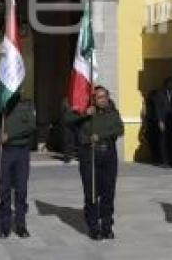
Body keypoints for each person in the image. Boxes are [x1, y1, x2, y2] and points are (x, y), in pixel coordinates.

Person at [64, 86, 124, 240]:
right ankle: (93, 227)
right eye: (99, 97)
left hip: (108, 155)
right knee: (91, 193)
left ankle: (107, 226)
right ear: (94, 99)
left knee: (108, 193)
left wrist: (100, 136)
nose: (103, 100)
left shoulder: (113, 111)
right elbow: (67, 120)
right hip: (89, 155)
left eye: (105, 96)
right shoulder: (86, 111)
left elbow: (119, 128)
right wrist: (84, 114)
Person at [0, 94, 36, 239]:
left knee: (21, 190)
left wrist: (10, 136)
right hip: (5, 152)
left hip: (21, 152)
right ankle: (4, 226)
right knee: (4, 190)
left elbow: (31, 126)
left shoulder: (26, 105)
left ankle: (21, 225)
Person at [150, 78, 172, 168]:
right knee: (164, 141)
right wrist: (160, 121)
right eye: (170, 84)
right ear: (166, 84)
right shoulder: (160, 94)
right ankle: (164, 161)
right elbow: (158, 108)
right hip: (164, 121)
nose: (171, 85)